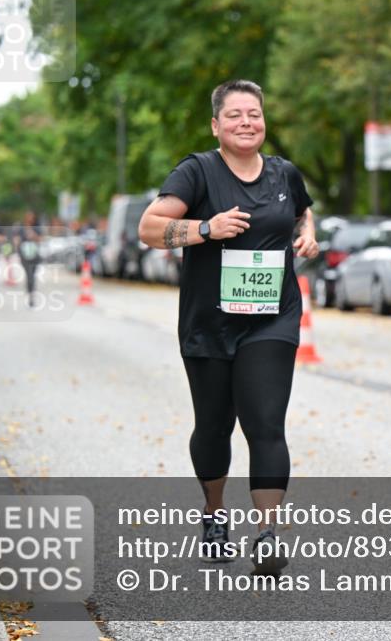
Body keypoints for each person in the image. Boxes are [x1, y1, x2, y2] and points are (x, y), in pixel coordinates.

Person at [139, 79, 318, 575]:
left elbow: (303, 210)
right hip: (209, 323)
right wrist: (205, 228)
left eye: (254, 114)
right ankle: (215, 515)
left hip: (271, 318)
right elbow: (150, 228)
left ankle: (267, 532)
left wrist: (308, 235)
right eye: (235, 115)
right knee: (215, 426)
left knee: (265, 423)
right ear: (216, 125)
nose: (247, 122)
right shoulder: (197, 172)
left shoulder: (284, 172)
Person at [14, 211, 43, 307]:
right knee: (29, 275)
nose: (30, 219)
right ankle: (30, 294)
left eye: (31, 217)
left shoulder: (37, 228)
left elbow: (40, 239)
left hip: (35, 255)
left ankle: (31, 293)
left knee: (33, 275)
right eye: (28, 217)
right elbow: (17, 240)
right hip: (24, 255)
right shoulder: (21, 228)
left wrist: (33, 235)